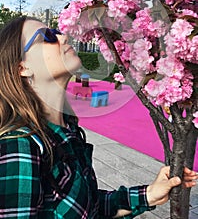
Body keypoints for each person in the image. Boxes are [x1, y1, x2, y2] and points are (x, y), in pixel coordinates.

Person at [0, 16, 197, 219]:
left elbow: (90, 205)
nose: (64, 37)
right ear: (22, 68)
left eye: (57, 31)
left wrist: (149, 195)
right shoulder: (20, 145)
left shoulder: (69, 129)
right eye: (48, 36)